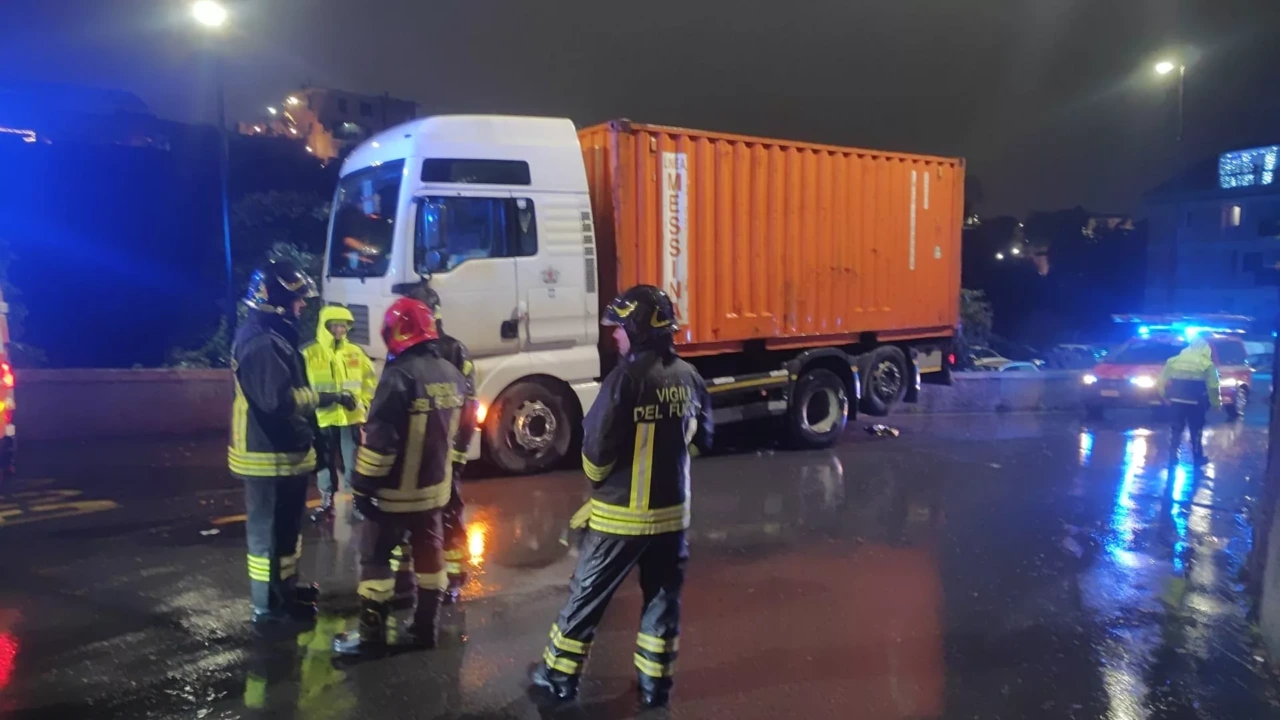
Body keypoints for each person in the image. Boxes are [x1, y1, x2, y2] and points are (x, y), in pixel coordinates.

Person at [530, 285, 713, 709]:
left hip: (619, 520)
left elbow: (595, 452)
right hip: (672, 520)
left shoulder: (624, 380)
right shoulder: (690, 377)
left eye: (619, 328)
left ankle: (558, 677)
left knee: (586, 599)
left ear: (637, 328)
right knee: (662, 603)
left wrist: (601, 483)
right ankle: (655, 687)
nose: (613, 335)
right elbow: (703, 441)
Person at [333, 297, 468, 655]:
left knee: (376, 559)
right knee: (429, 556)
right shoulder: (452, 374)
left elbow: (380, 443)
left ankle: (371, 636)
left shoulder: (398, 377)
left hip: (393, 495)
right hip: (434, 494)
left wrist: (362, 487)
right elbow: (464, 429)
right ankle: (426, 628)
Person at [230, 260, 356, 625]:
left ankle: (285, 590)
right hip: (265, 454)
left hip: (282, 453)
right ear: (279, 299)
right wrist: (323, 398)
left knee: (285, 529)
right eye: (298, 299)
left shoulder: (273, 336)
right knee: (267, 536)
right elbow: (278, 400)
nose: (302, 306)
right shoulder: (262, 342)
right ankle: (267, 607)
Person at [388, 280, 478, 603]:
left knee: (442, 514)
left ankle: (450, 577)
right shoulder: (406, 347)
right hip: (425, 453)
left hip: (436, 453)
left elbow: (469, 405)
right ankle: (413, 579)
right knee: (417, 517)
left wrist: (458, 453)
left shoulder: (451, 350)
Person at [302, 306, 377, 521]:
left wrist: (363, 404)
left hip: (350, 417)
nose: (340, 330)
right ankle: (326, 503)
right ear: (325, 327)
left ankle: (357, 502)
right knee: (324, 463)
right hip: (322, 418)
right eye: (335, 325)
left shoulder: (355, 352)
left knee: (353, 462)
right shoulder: (310, 353)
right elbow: (304, 386)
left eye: (343, 325)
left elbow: (369, 381)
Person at [1158, 337, 1221, 465]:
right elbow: (1213, 387)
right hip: (1196, 403)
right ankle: (1197, 457)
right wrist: (1216, 404)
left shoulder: (1173, 361)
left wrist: (1164, 397)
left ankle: (1173, 456)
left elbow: (1160, 382)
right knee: (1196, 430)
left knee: (1176, 428)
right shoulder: (1207, 364)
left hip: (1176, 401)